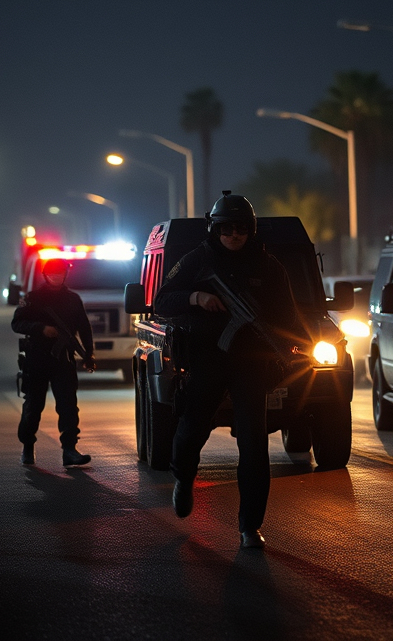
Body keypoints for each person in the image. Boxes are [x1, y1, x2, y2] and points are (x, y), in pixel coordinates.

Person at [153, 191, 304, 549]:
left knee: (254, 445)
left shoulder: (269, 267)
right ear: (215, 229)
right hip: (208, 359)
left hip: (251, 363)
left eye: (240, 228)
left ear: (250, 230)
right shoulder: (197, 260)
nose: (233, 235)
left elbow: (289, 316)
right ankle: (183, 478)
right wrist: (196, 297)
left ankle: (250, 526)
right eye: (225, 228)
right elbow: (162, 301)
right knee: (191, 431)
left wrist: (296, 345)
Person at [12, 258, 97, 467]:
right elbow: (17, 323)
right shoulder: (32, 298)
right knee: (34, 405)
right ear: (45, 275)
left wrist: (89, 355)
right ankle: (28, 446)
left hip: (64, 360)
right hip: (37, 359)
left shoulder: (73, 299)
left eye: (60, 272)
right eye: (53, 273)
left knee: (68, 405)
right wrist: (41, 328)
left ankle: (70, 450)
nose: (57, 276)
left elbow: (84, 329)